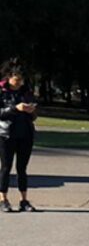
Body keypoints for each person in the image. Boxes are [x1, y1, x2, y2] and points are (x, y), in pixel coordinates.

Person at [0, 58, 38, 213]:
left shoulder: (26, 92)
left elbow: (34, 112)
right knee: (6, 168)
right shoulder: (2, 93)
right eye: (16, 80)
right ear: (9, 78)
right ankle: (3, 199)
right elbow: (1, 113)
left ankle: (24, 200)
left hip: (25, 134)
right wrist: (15, 108)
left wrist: (32, 111)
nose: (19, 83)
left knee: (22, 168)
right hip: (6, 134)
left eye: (21, 80)